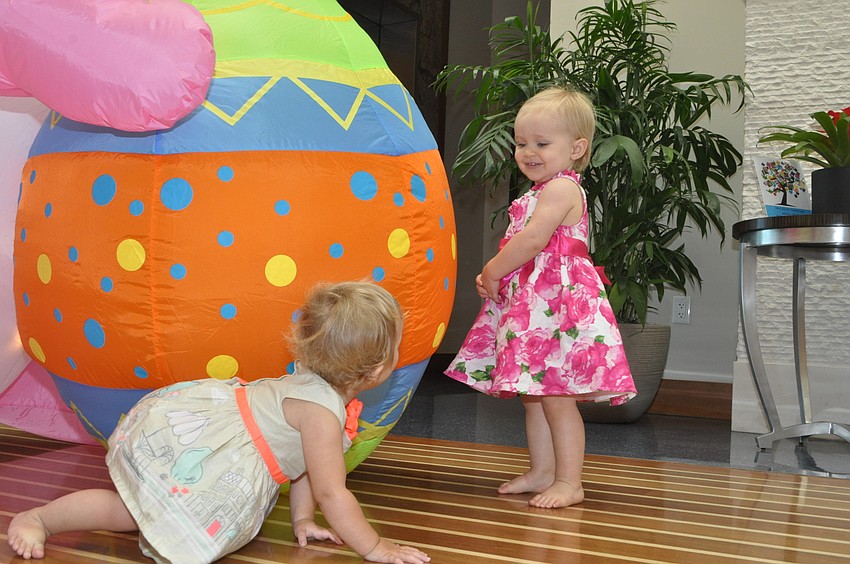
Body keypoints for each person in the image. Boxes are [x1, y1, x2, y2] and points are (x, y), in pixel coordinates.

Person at [8, 281, 430, 564]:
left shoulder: (313, 382)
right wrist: (376, 547)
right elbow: (332, 492)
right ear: (374, 370)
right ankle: (39, 518)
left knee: (132, 511)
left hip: (216, 434)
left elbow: (303, 468)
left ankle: (44, 519)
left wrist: (302, 521)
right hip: (213, 455)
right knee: (129, 511)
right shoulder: (322, 412)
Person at [445, 86, 636, 509]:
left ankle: (570, 480)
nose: (528, 151)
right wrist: (499, 277)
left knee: (557, 399)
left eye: (542, 143)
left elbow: (533, 240)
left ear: (576, 148)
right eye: (521, 142)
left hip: (560, 309)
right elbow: (526, 249)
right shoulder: (535, 192)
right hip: (535, 307)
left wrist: (493, 267)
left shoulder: (563, 190)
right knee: (534, 397)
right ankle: (542, 470)